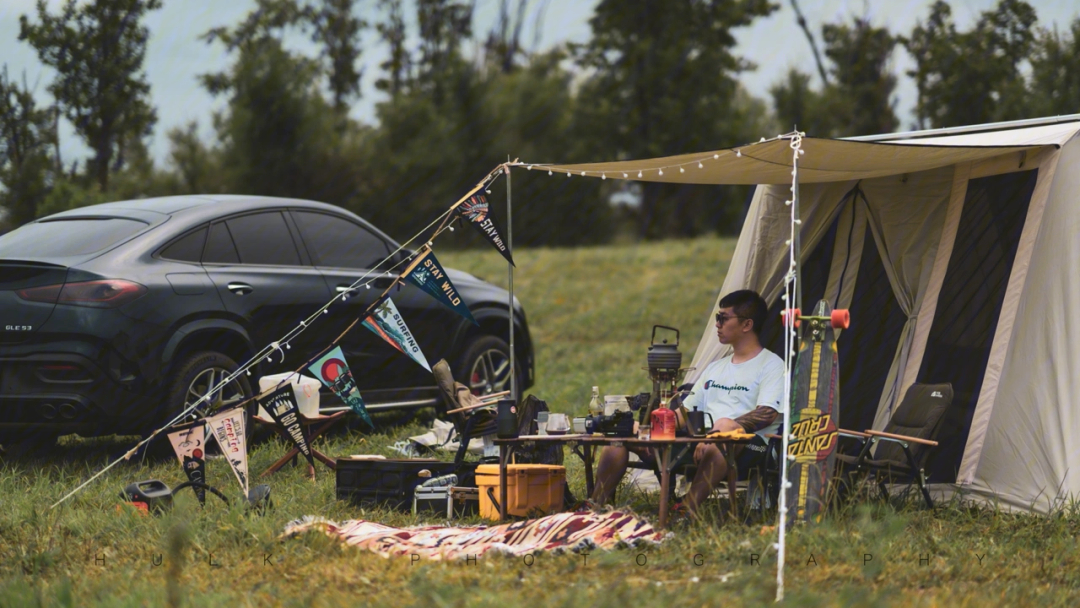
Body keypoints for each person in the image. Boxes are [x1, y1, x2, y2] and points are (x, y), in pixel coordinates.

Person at [591, 289, 784, 514]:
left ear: (746, 325)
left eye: (723, 318)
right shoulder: (716, 368)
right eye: (717, 318)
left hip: (749, 445)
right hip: (700, 441)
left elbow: (767, 413)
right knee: (621, 437)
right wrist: (646, 429)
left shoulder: (771, 365)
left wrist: (721, 430)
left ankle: (685, 510)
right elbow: (684, 414)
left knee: (723, 427)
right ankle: (594, 508)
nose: (717, 325)